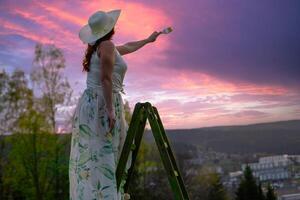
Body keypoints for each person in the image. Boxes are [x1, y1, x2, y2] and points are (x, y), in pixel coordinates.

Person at [69, 9, 161, 200]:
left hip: (93, 102)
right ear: (110, 28)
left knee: (99, 150)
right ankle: (107, 195)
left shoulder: (101, 46)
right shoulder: (107, 45)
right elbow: (106, 79)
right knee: (104, 150)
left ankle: (103, 194)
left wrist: (148, 40)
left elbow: (127, 46)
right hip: (102, 102)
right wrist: (110, 110)